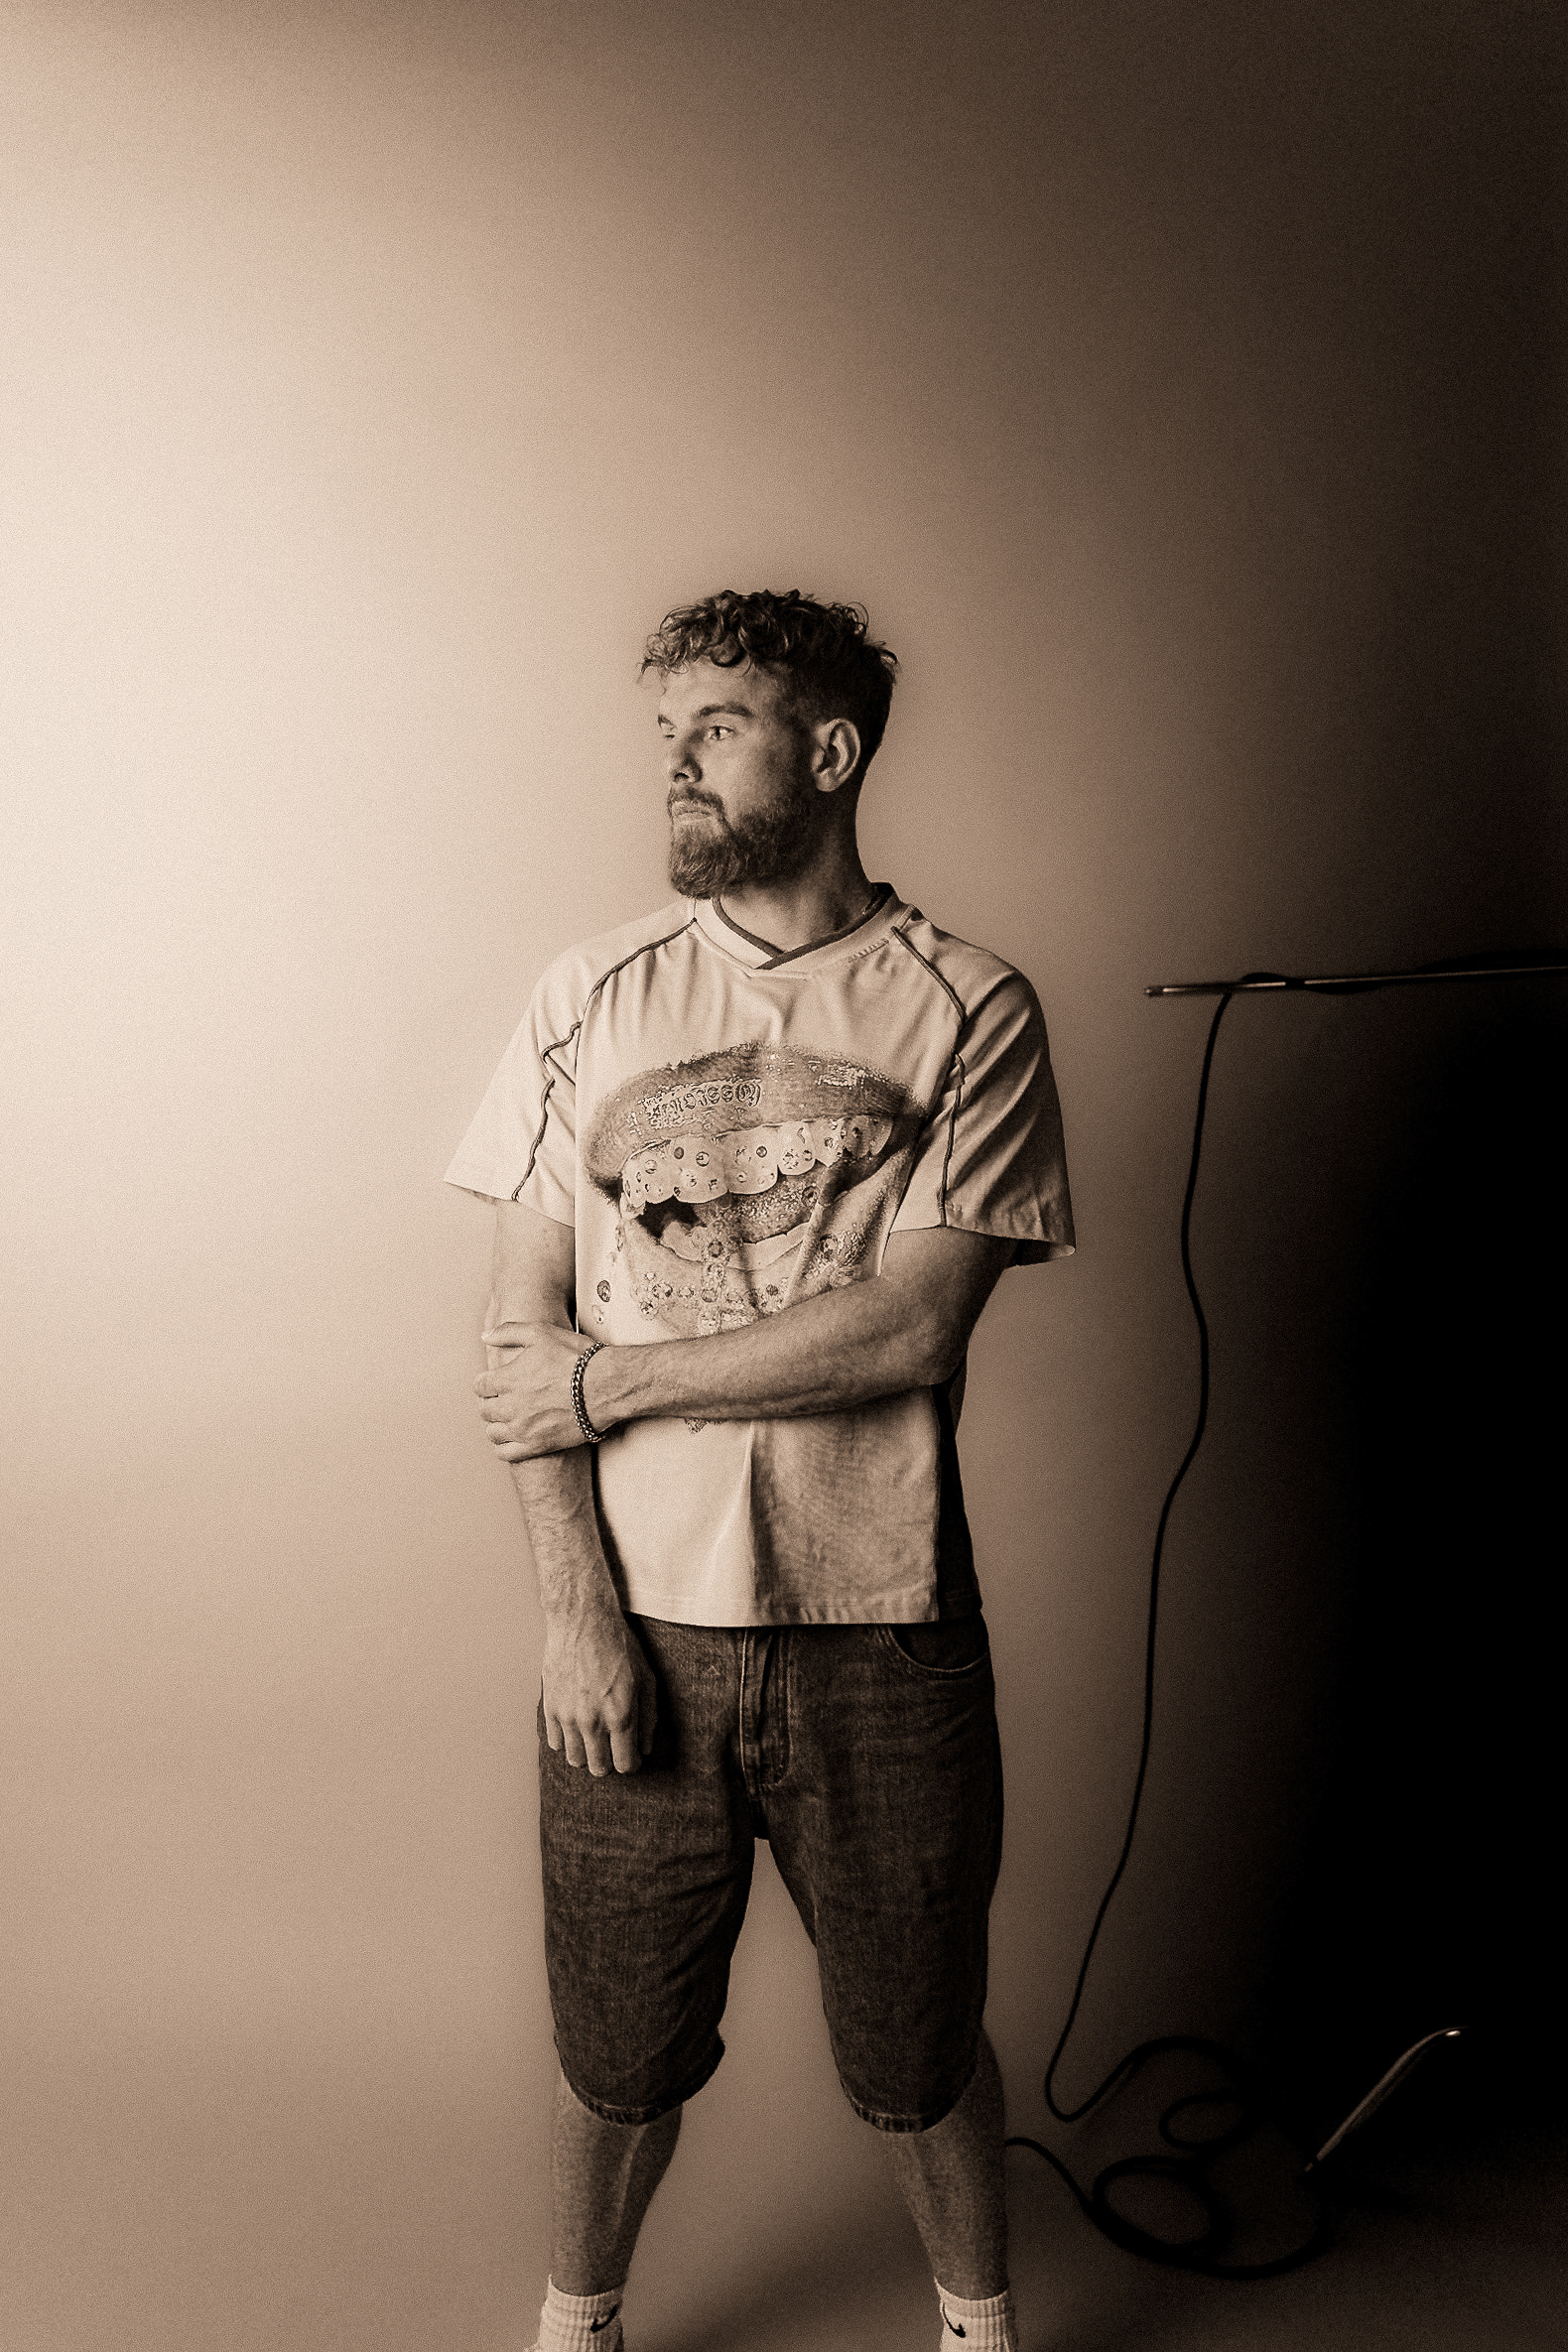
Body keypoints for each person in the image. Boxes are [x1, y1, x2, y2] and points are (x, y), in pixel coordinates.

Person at [446, 589, 1074, 2352]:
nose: (678, 765)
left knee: (919, 2043)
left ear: (831, 750)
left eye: (715, 729)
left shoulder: (970, 1008)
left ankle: (979, 2327)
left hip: (886, 1625)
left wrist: (611, 1379)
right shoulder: (591, 994)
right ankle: (577, 2324)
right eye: (668, 735)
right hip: (637, 1626)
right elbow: (517, 1335)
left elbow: (910, 1328)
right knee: (614, 2045)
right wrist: (576, 1612)